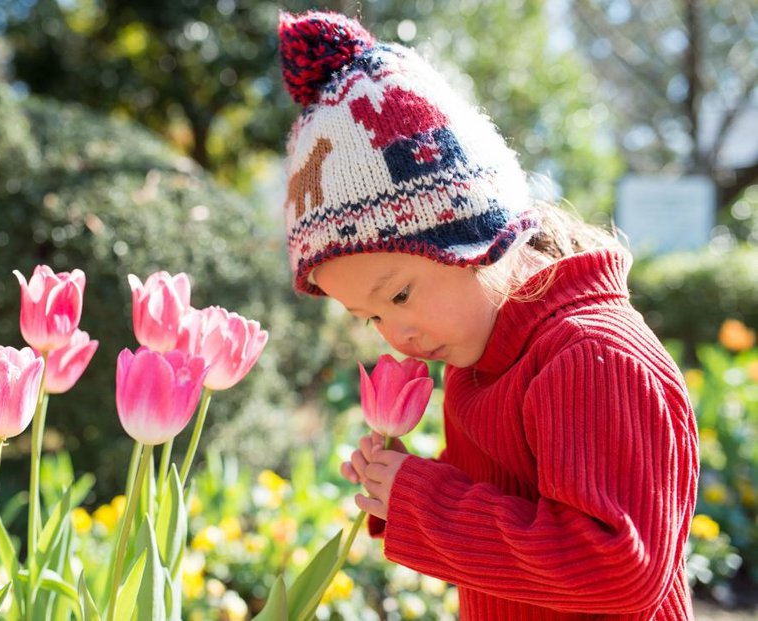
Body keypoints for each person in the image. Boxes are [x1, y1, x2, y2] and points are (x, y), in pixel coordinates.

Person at [276, 10, 699, 621]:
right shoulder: (486, 361)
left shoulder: (590, 356)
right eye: (370, 319)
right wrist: (400, 492)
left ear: (476, 233)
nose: (398, 337)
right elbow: (512, 508)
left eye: (397, 296)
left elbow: (619, 569)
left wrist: (425, 503)